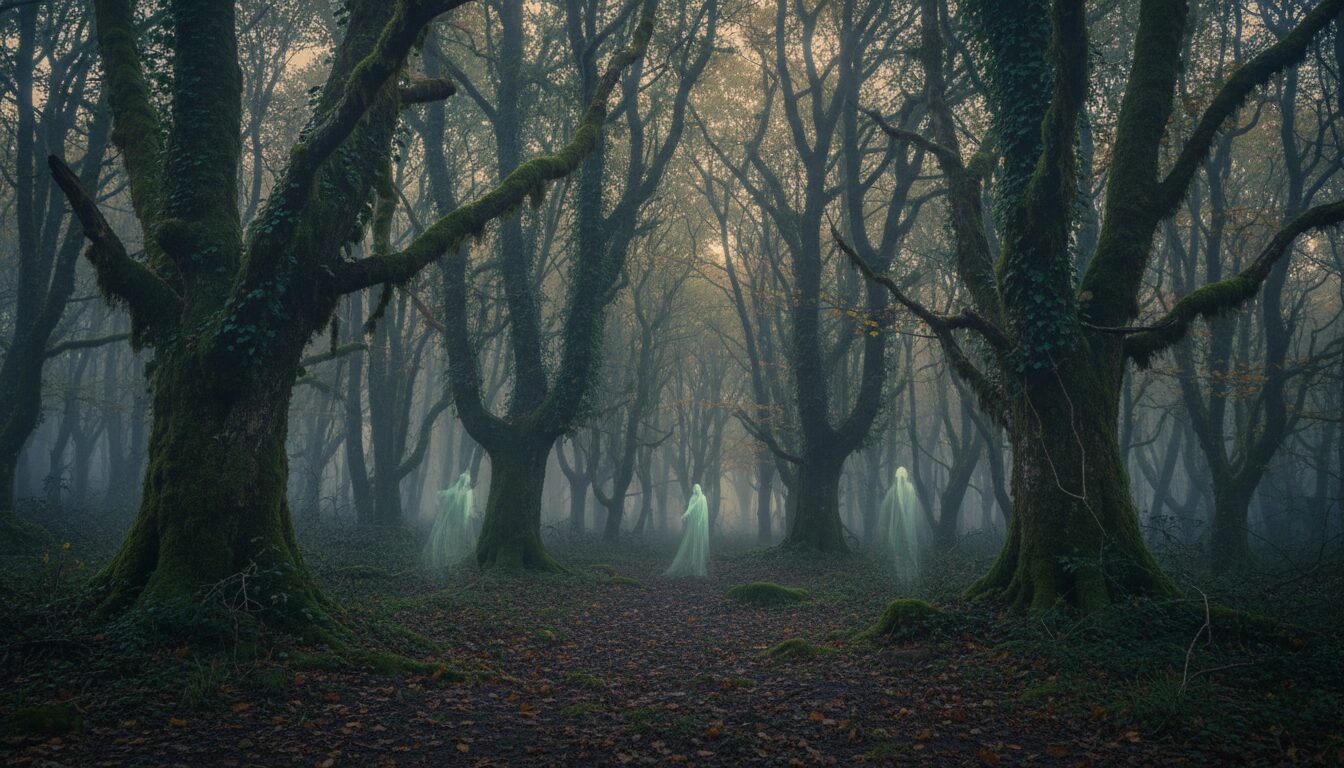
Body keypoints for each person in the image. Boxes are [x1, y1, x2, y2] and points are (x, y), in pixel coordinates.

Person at [424, 472, 475, 568]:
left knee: (451, 539)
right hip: (455, 521)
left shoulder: (460, 492)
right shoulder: (466, 493)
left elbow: (441, 494)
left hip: (453, 521)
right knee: (453, 539)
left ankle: (451, 561)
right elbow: (467, 511)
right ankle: (451, 562)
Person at [882, 466, 920, 586]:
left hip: (901, 529)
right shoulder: (906, 489)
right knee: (906, 549)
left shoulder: (894, 491)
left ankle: (903, 578)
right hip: (904, 529)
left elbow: (886, 513)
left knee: (902, 551)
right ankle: (908, 578)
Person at [665, 483, 709, 578]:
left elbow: (703, 512)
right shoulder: (692, 498)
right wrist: (685, 515)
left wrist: (700, 520)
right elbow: (690, 508)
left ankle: (698, 564)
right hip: (693, 524)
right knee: (692, 541)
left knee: (699, 542)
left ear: (700, 488)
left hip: (699, 525)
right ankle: (693, 562)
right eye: (695, 488)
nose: (696, 490)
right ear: (694, 489)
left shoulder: (703, 498)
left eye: (698, 488)